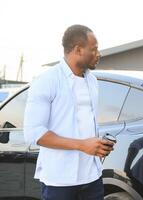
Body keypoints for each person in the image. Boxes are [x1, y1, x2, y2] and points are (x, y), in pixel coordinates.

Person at [23, 24, 115, 200]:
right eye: (94, 49)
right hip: (59, 182)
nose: (99, 54)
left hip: (92, 177)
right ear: (78, 50)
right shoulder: (46, 81)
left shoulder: (93, 81)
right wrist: (82, 145)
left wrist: (98, 146)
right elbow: (34, 132)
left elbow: (84, 123)